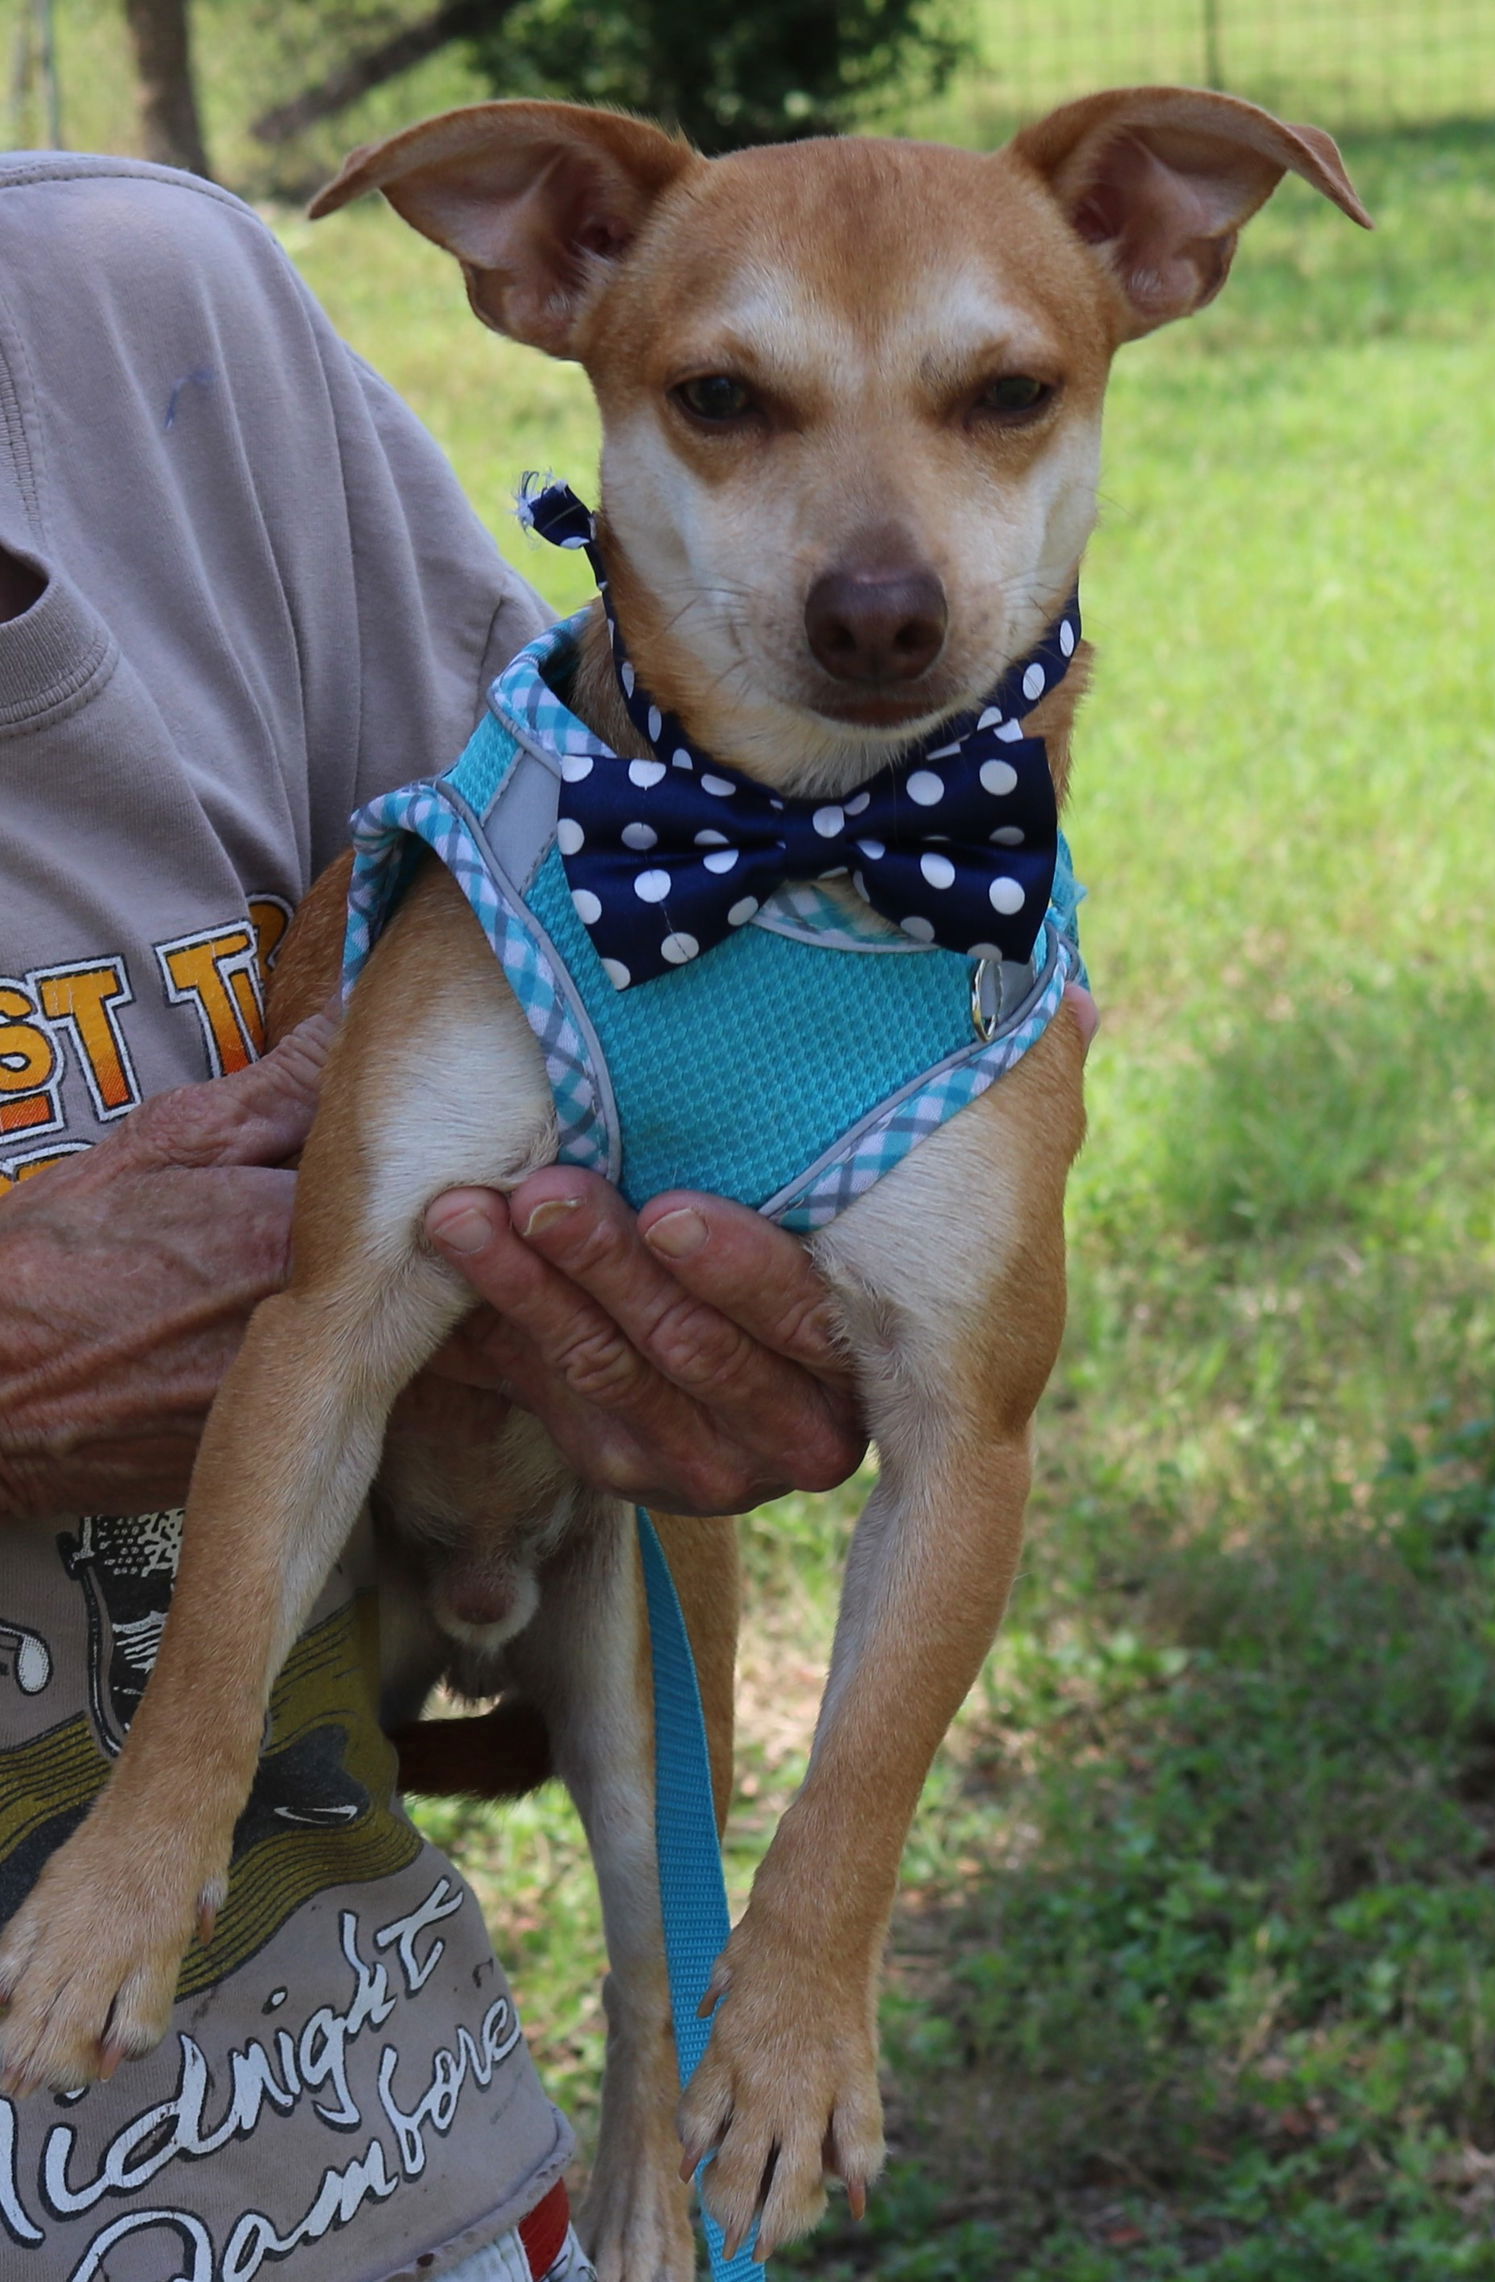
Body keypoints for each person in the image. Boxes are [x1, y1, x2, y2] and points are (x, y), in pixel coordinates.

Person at [0, 148, 1093, 2282]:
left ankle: (673, 2117)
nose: (876, 568)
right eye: (729, 402)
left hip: (326, 2133)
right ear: (548, 276)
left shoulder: (146, 321)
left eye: (992, 402)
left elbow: (945, 1436)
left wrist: (813, 1929)